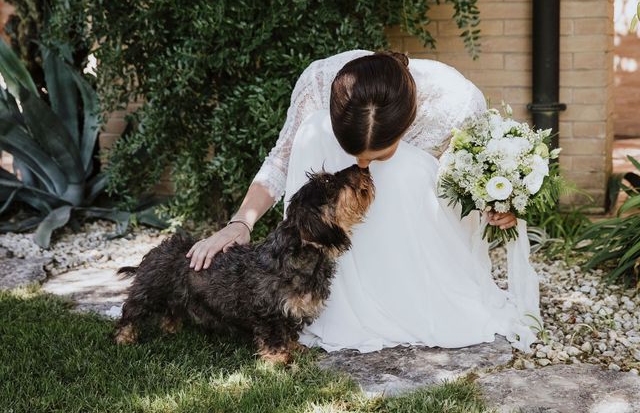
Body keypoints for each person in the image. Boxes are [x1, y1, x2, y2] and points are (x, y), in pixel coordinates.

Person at [186, 49, 541, 353]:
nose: (362, 167)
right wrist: (241, 221)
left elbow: (467, 181)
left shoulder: (458, 102)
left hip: (416, 229)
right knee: (311, 131)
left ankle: (403, 298)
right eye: (353, 153)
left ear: (408, 123)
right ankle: (328, 296)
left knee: (408, 169)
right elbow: (281, 159)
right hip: (336, 237)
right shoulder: (318, 81)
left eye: (377, 156)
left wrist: (496, 202)